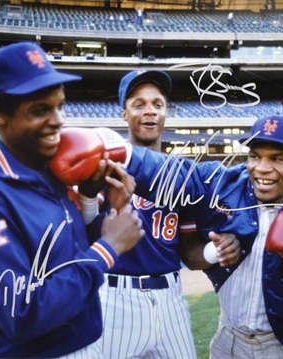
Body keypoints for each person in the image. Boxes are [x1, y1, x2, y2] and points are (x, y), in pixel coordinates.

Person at [48, 114, 283, 358]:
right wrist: (117, 151)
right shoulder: (226, 184)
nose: (262, 168)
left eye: (277, 158)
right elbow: (175, 174)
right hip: (229, 339)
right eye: (255, 156)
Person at [0, 41, 144, 359]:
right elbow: (22, 314)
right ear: (0, 113)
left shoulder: (48, 166)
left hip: (77, 344)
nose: (57, 120)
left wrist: (91, 199)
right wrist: (108, 249)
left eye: (59, 106)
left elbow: (66, 255)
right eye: (40, 110)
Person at [82, 69, 240, 359]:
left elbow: (189, 253)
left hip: (171, 298)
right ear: (123, 114)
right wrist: (90, 195)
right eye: (138, 104)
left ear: (167, 112)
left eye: (157, 104)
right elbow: (81, 235)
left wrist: (214, 251)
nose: (149, 111)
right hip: (115, 297)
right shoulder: (106, 165)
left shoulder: (183, 176)